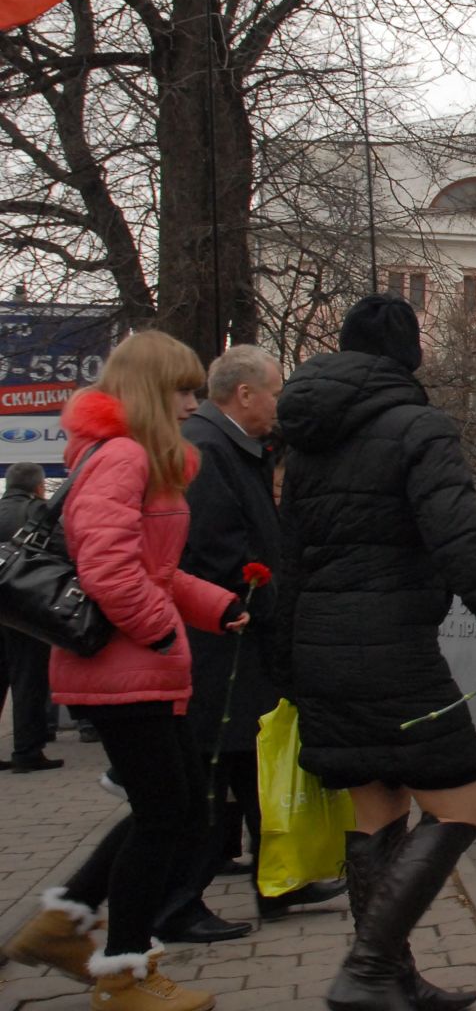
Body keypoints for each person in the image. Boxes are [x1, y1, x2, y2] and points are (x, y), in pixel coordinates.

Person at [271, 296, 476, 1011]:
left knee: (376, 810)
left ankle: (391, 977)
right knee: (461, 807)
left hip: (321, 646)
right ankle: (366, 971)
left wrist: (287, 661)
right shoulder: (419, 427)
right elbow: (463, 546)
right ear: (408, 355)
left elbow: (286, 556)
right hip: (392, 647)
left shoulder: (305, 442)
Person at [1, 331, 247, 1011]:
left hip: (130, 666)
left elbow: (151, 572)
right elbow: (111, 571)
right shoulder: (126, 458)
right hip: (126, 667)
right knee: (170, 814)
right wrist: (164, 631)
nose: (195, 403)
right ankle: (124, 974)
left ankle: (67, 924)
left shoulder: (129, 457)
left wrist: (217, 606)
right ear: (151, 392)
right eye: (184, 390)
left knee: (166, 809)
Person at [158, 346, 344, 940]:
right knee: (216, 771)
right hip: (226, 638)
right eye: (274, 391)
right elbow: (219, 554)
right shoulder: (211, 449)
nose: (278, 403)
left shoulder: (234, 447)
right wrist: (270, 609)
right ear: (245, 395)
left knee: (251, 764)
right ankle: (180, 900)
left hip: (240, 635)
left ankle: (279, 881)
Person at [0, 460, 61, 773]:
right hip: (24, 606)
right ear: (39, 487)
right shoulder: (40, 512)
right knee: (28, 679)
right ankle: (27, 751)